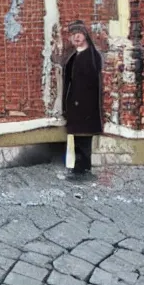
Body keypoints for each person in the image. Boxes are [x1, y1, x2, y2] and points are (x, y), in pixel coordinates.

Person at [62, 20, 103, 177]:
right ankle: (78, 167)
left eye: (79, 34)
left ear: (85, 35)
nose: (76, 37)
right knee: (77, 138)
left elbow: (92, 83)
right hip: (74, 105)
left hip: (87, 106)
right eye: (73, 35)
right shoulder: (73, 58)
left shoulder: (92, 57)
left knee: (85, 138)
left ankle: (83, 168)